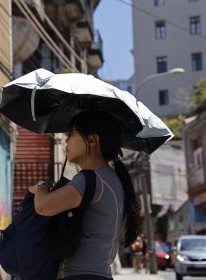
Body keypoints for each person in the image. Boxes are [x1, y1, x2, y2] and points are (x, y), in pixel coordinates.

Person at [28, 111, 141, 280]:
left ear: (92, 140)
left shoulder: (90, 179)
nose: (67, 140)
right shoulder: (111, 178)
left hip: (81, 274)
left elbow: (43, 206)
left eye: (72, 133)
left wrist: (40, 187)